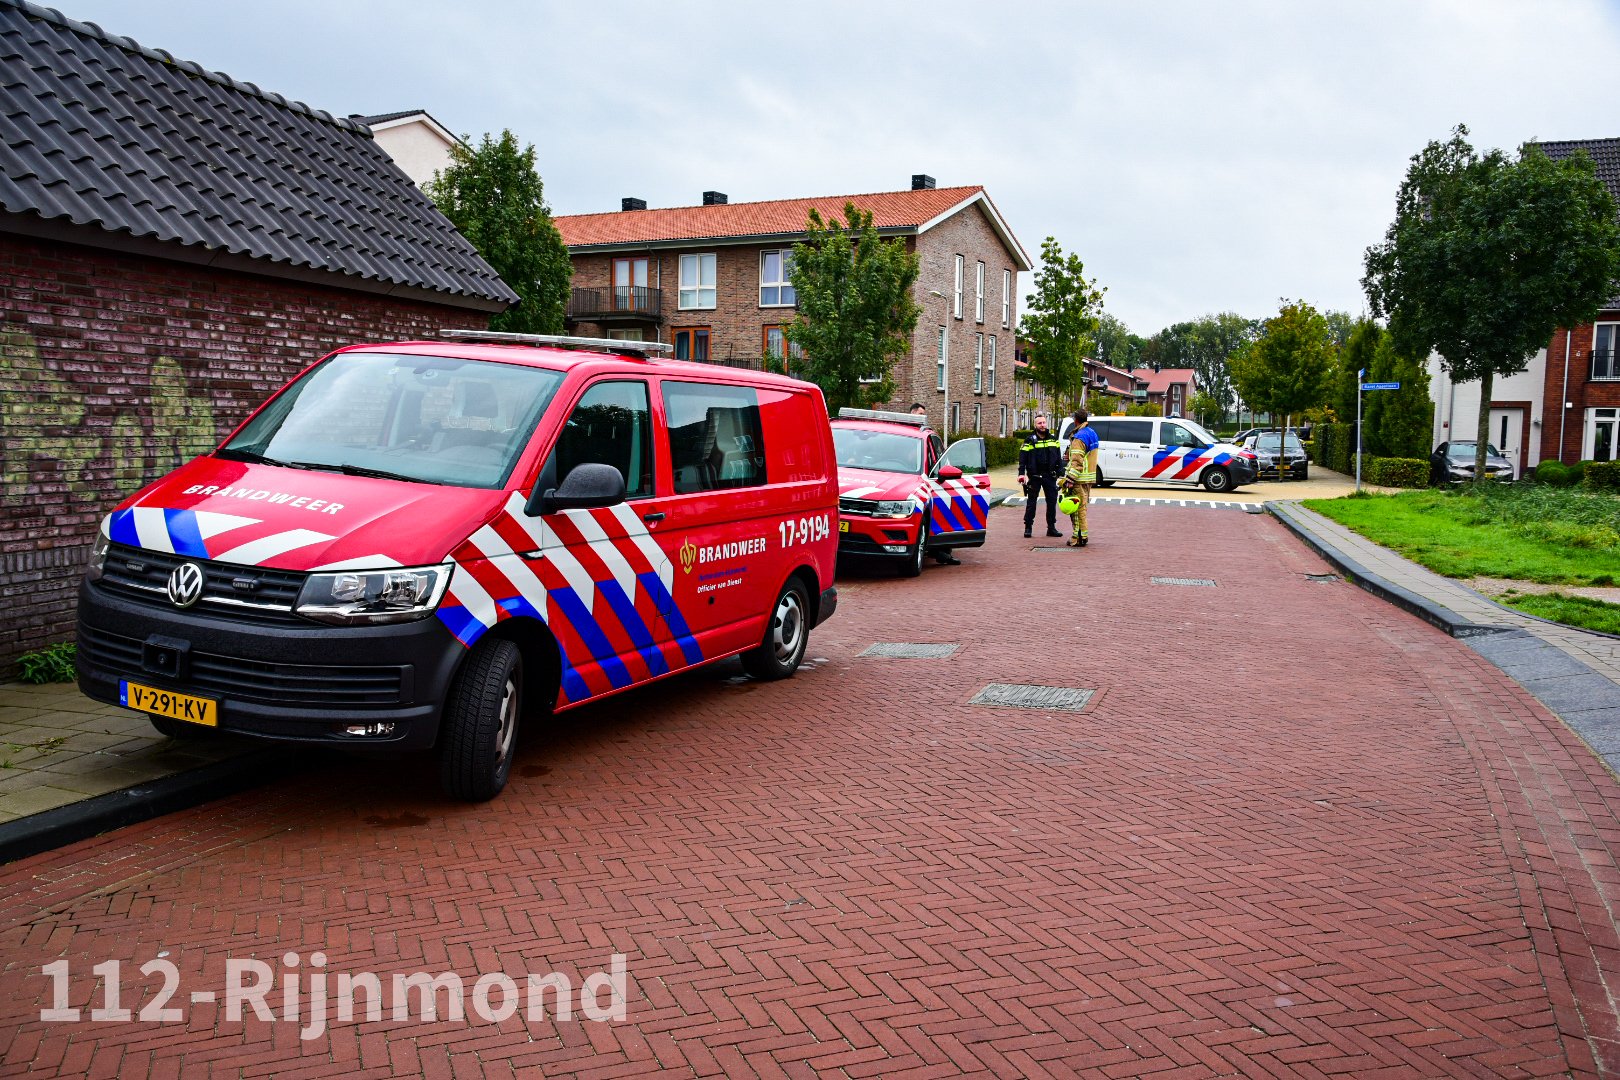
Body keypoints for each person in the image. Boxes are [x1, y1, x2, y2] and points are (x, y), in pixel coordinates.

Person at [1017, 412, 1063, 539]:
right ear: (1035, 425)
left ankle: (1051, 528)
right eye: (1039, 423)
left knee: (1052, 502)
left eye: (1044, 422)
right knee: (1031, 502)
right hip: (1035, 476)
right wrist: (1021, 474)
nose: (1042, 425)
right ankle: (1028, 527)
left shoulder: (1053, 439)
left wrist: (1060, 471)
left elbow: (1058, 457)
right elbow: (1022, 459)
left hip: (1050, 476)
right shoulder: (1029, 440)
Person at [1059, 408, 1099, 547]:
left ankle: (1078, 537)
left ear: (1075, 420)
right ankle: (1083, 535)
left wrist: (1070, 479)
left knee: (1076, 509)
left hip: (1078, 478)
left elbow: (1077, 461)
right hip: (1088, 477)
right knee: (1083, 507)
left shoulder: (1079, 437)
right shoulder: (1092, 433)